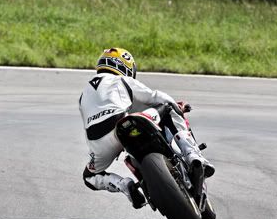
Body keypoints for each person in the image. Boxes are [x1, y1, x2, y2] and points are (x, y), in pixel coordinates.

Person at [79, 47, 214, 208]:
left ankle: (124, 185)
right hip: (121, 124)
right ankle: (193, 155)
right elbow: (155, 96)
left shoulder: (83, 95)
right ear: (125, 67)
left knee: (89, 177)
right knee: (168, 107)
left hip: (99, 144)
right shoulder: (121, 80)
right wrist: (176, 105)